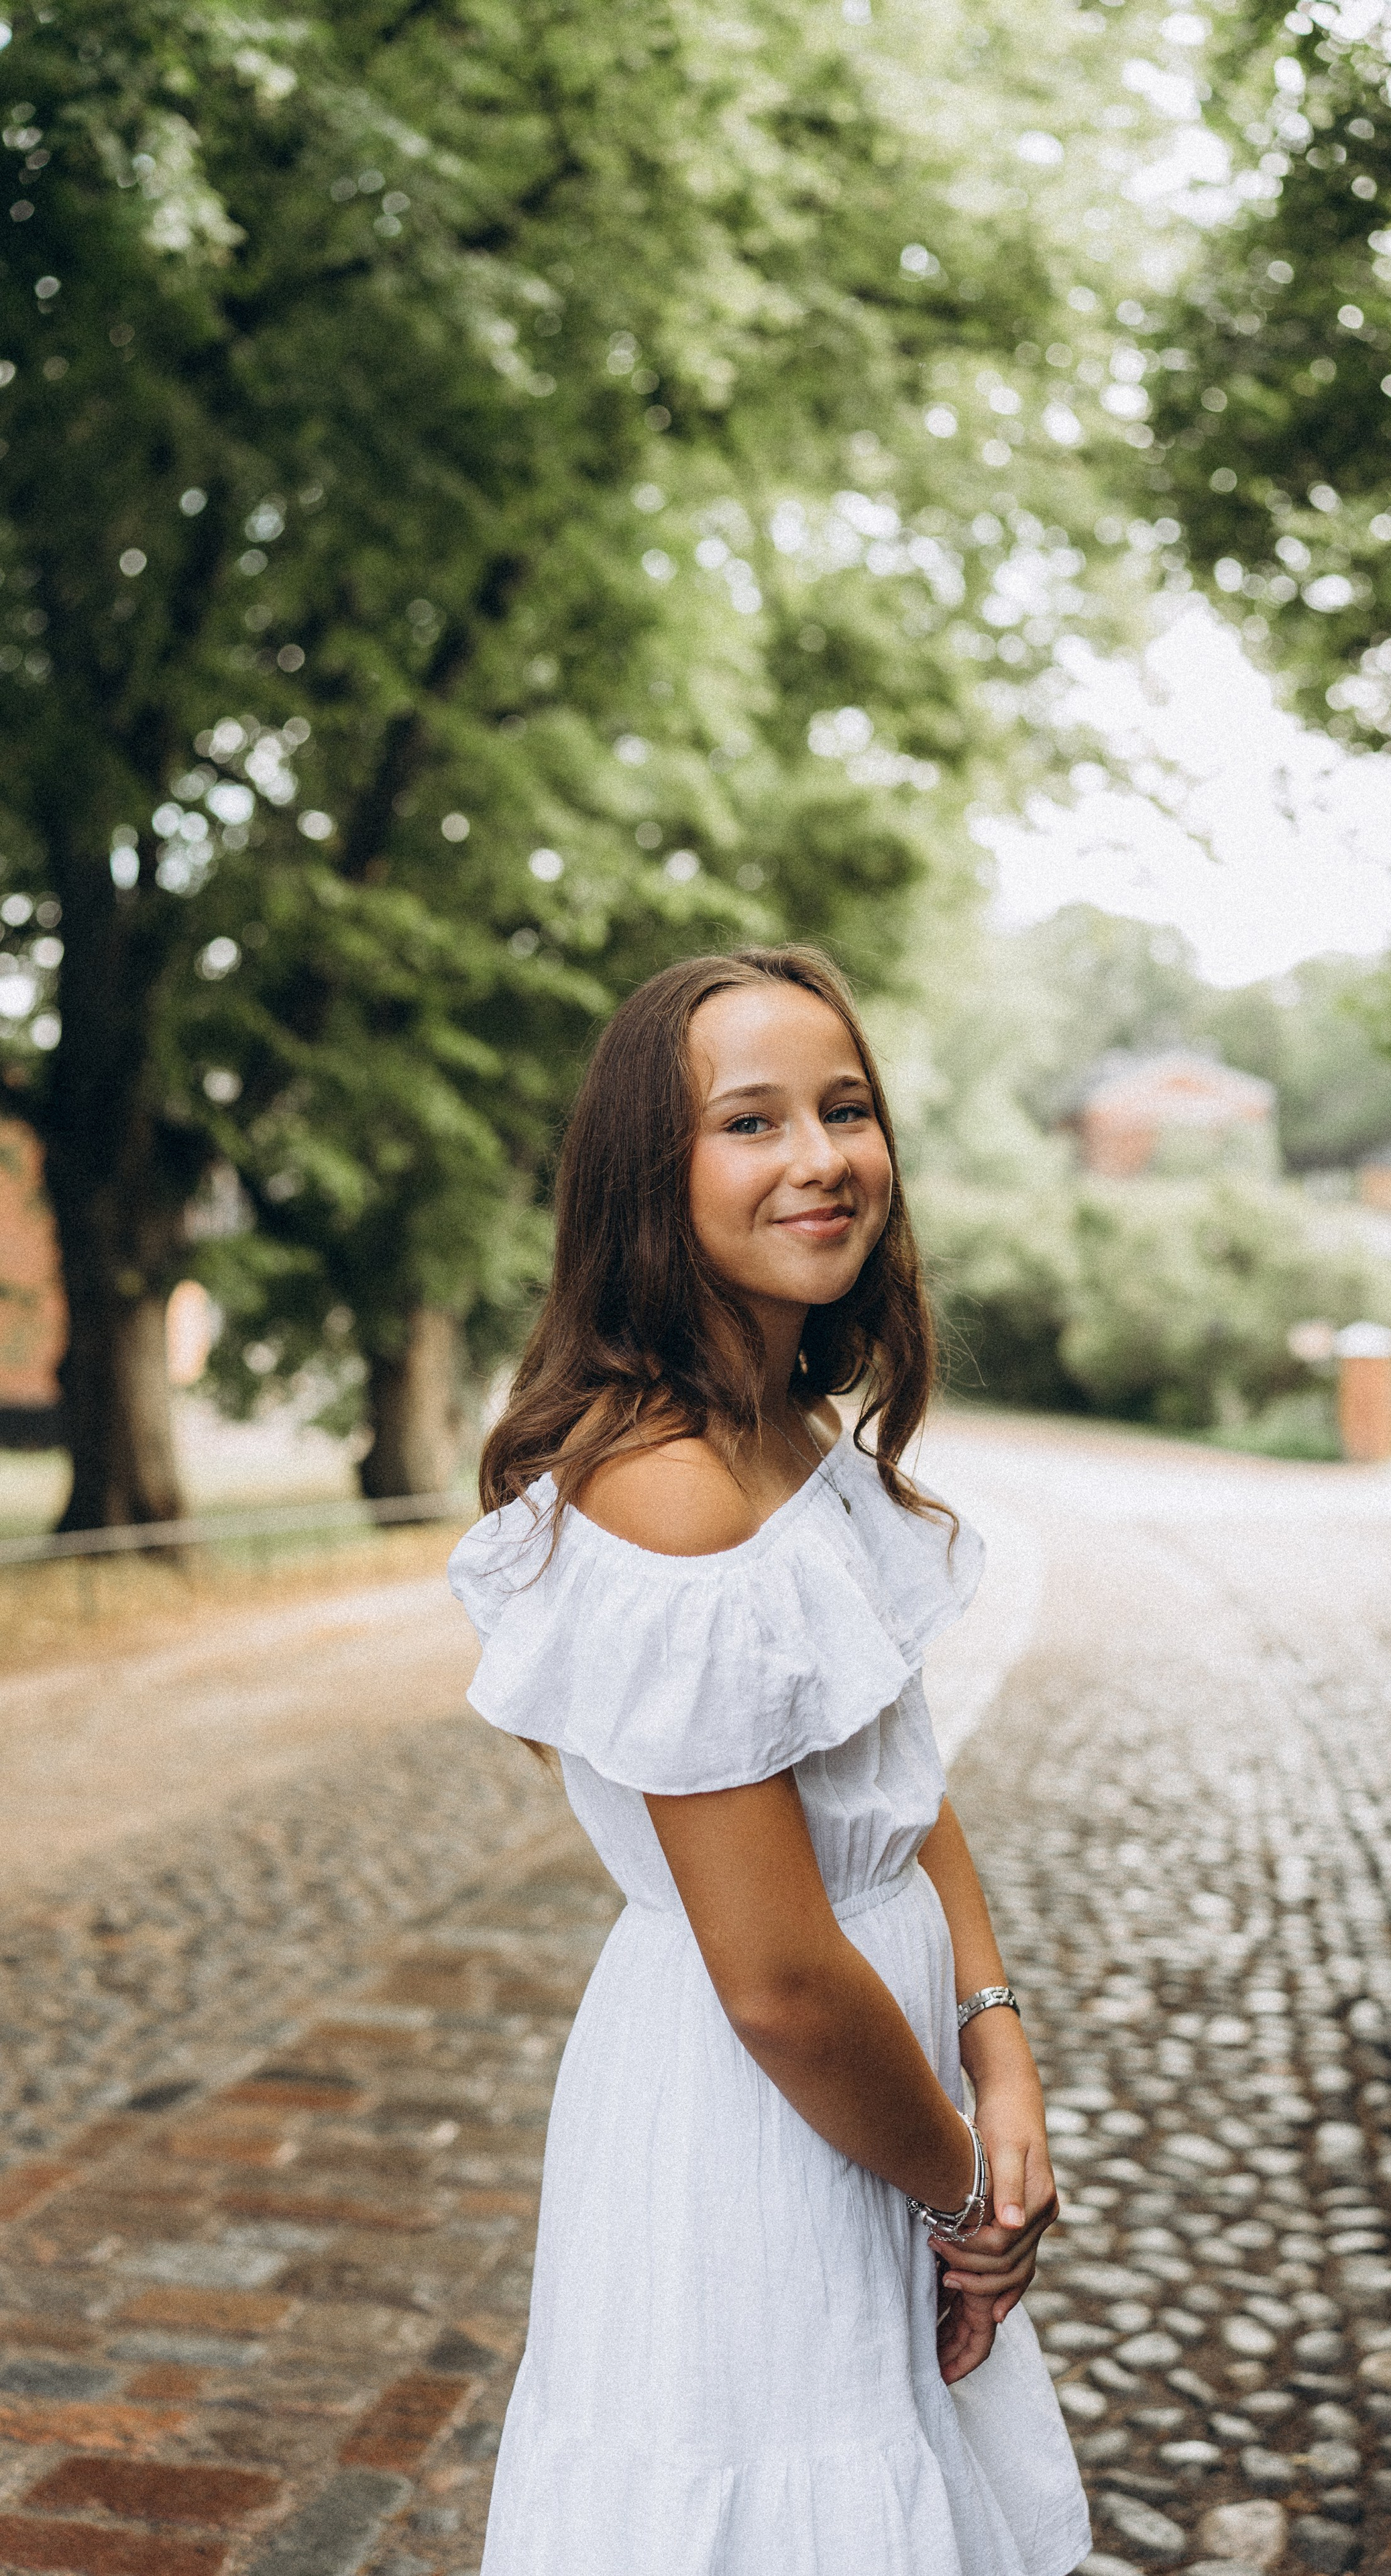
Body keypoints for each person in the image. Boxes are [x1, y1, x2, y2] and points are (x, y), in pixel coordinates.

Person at [449, 945, 1091, 2576]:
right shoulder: (666, 1486)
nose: (820, 1157)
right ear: (648, 1186)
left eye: (845, 1108)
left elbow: (897, 1784)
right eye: (751, 1122)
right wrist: (966, 2202)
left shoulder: (793, 1433)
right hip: (766, 2115)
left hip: (894, 2084)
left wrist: (994, 2033)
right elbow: (779, 1981)